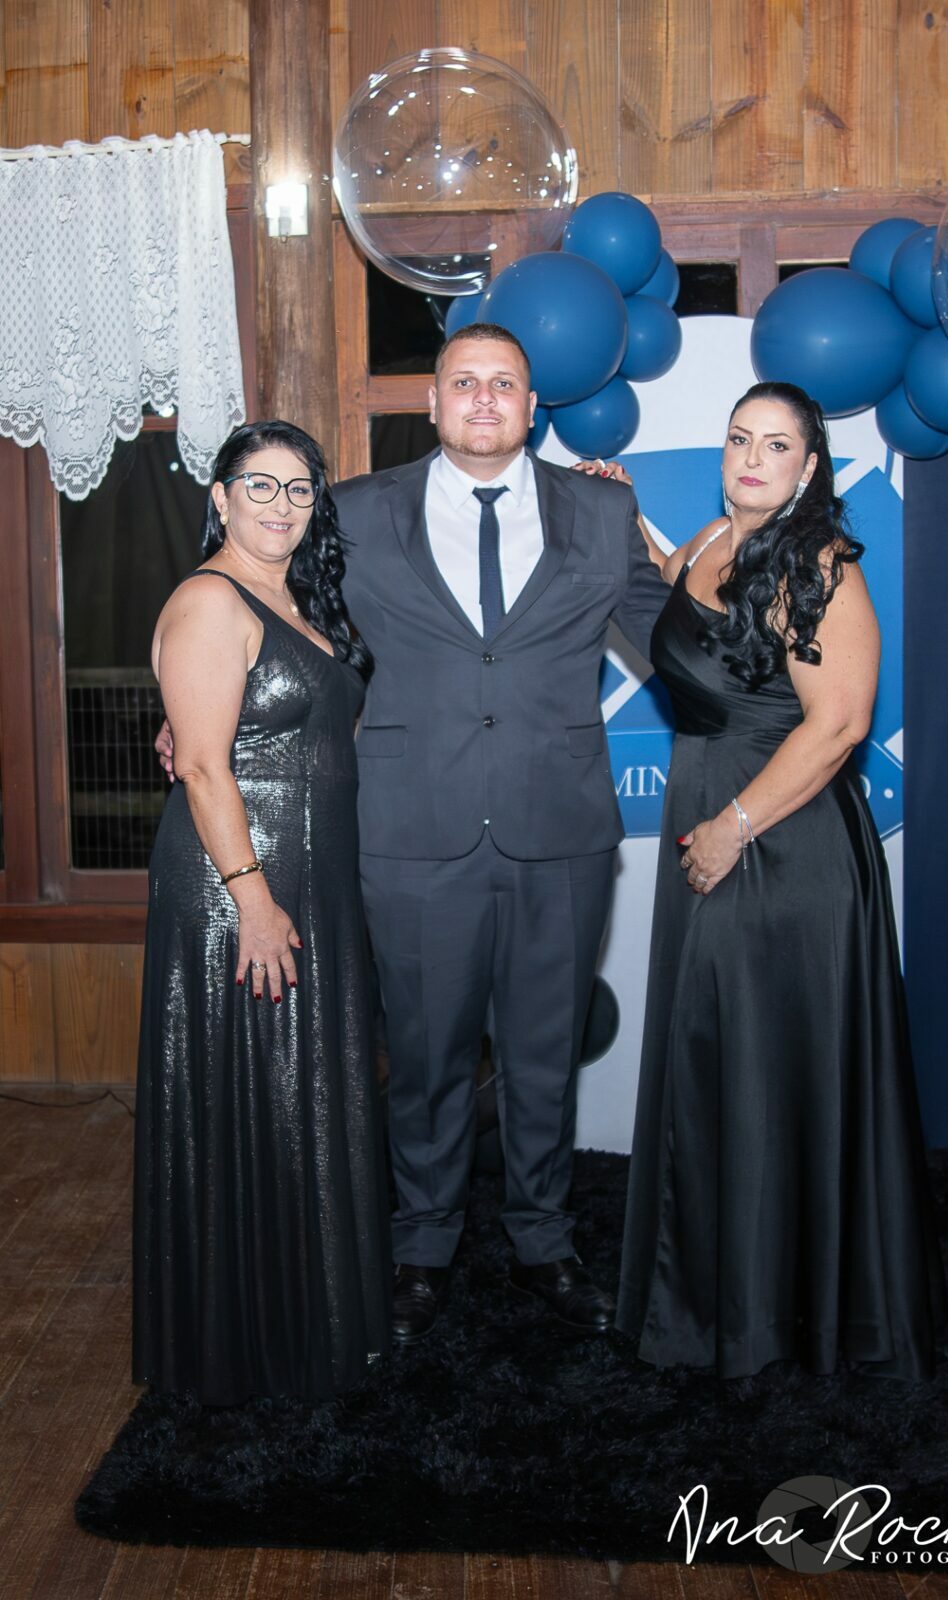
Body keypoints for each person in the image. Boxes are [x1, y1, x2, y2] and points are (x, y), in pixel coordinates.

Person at [331, 323, 668, 1342]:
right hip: (410, 830)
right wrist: (202, 707)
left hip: (559, 829)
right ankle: (421, 1247)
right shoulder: (355, 511)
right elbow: (291, 628)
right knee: (424, 1056)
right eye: (463, 382)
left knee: (542, 1054)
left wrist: (788, 699)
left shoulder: (601, 509)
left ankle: (542, 1241)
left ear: (532, 406)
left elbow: (675, 642)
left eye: (504, 384)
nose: (483, 398)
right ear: (433, 403)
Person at [604, 381, 947, 1378]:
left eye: (775, 446)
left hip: (783, 842)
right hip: (710, 810)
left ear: (808, 467)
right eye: (738, 439)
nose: (750, 458)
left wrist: (733, 827)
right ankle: (719, 1305)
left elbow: (839, 725)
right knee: (717, 1055)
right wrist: (623, 516)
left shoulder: (820, 561)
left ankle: (780, 1320)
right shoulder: (718, 535)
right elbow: (682, 607)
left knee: (766, 1067)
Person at [136, 421, 392, 1405]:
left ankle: (305, 1317)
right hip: (240, 887)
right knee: (262, 1096)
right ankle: (251, 1341)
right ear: (219, 495)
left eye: (299, 489)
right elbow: (204, 766)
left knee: (301, 1096)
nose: (281, 506)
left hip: (306, 881)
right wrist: (251, 900)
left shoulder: (294, 596)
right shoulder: (210, 598)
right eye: (260, 485)